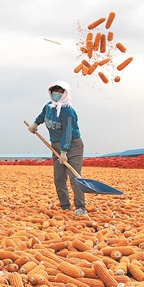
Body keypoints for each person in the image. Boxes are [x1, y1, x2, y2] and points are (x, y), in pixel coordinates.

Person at [29, 81, 86, 216]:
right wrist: (35, 124)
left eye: (60, 92)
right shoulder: (49, 107)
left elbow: (68, 133)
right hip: (56, 145)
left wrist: (65, 151)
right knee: (59, 178)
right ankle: (65, 206)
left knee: (75, 177)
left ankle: (80, 207)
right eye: (55, 91)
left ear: (65, 93)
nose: (57, 94)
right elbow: (42, 116)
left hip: (72, 146)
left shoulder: (68, 112)